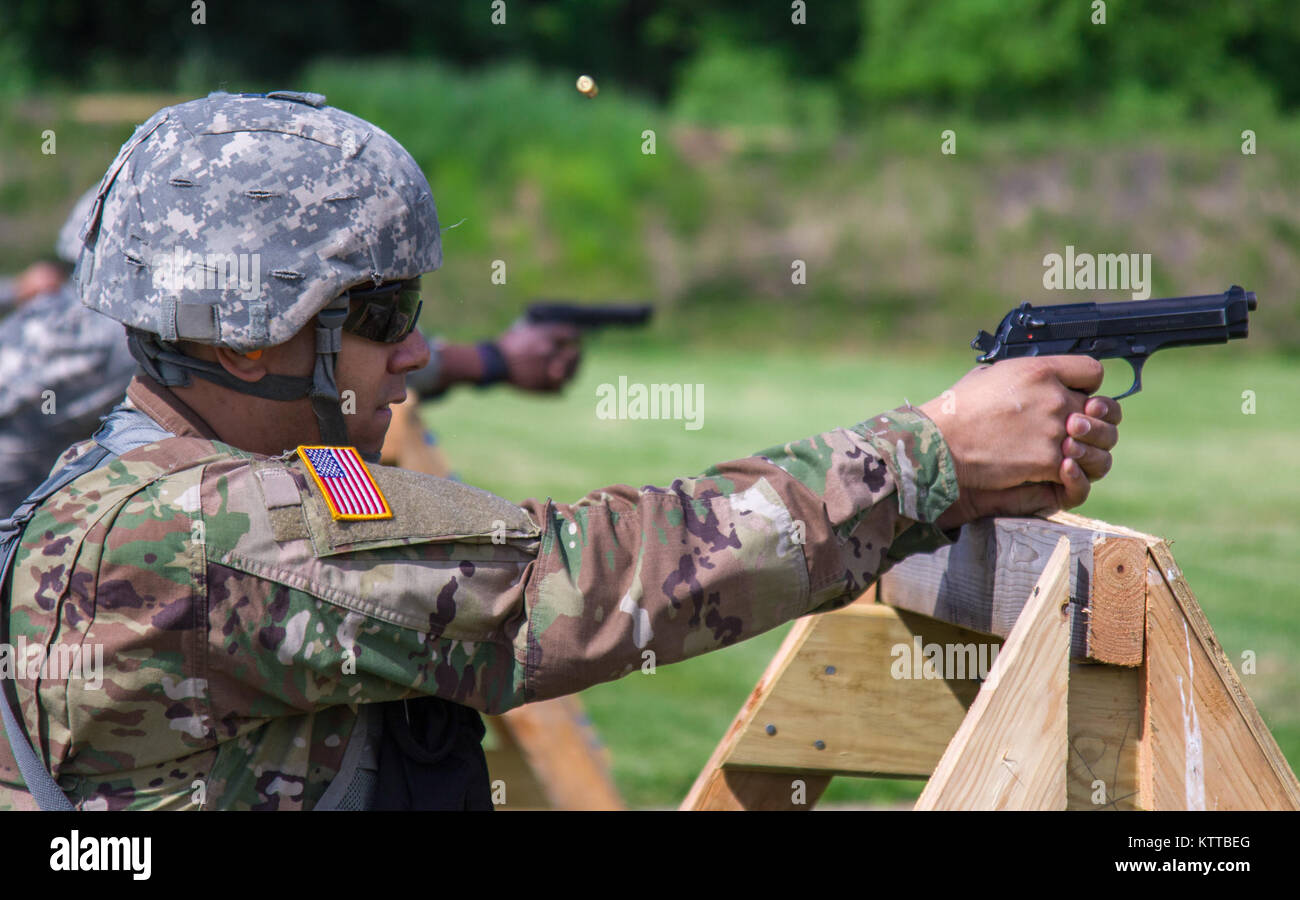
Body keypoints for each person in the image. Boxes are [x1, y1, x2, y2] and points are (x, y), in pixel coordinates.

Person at [0, 91, 1120, 810]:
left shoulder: (130, 483)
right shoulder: (220, 533)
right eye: (380, 313)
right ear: (246, 345)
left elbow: (486, 553)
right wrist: (928, 454)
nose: (417, 350)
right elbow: (574, 581)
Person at [0, 187, 581, 513]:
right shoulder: (100, 330)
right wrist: (493, 361)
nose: (413, 353)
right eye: (381, 315)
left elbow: (318, 361)